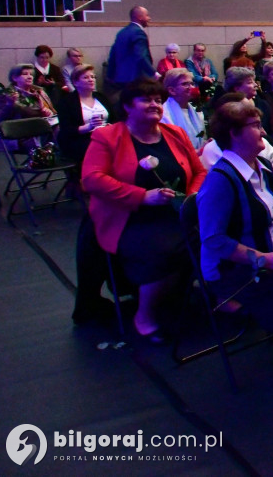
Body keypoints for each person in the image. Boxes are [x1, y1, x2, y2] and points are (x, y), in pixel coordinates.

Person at [197, 101, 273, 384]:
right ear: (234, 133)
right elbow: (214, 240)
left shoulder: (260, 165)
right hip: (234, 270)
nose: (263, 131)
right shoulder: (221, 181)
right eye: (255, 126)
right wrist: (261, 258)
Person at [82, 80, 207, 341]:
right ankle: (145, 315)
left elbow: (199, 171)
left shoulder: (175, 134)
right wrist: (142, 196)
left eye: (158, 100)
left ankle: (205, 296)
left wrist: (191, 196)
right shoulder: (107, 136)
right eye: (146, 100)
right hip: (130, 217)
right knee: (163, 249)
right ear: (127, 106)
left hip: (176, 213)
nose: (155, 105)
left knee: (216, 235)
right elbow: (92, 179)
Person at [56, 64, 113, 166]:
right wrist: (89, 127)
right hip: (80, 138)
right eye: (86, 77)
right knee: (101, 147)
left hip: (106, 135)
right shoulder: (66, 102)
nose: (91, 80)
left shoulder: (101, 97)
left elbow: (114, 118)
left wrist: (111, 127)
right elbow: (66, 129)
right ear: (76, 82)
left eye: (93, 77)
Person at [106, 7, 157, 96]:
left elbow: (113, 55)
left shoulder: (122, 32)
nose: (149, 18)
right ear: (140, 17)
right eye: (147, 15)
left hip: (121, 78)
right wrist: (153, 72)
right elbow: (141, 55)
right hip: (136, 78)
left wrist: (110, 75)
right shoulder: (138, 32)